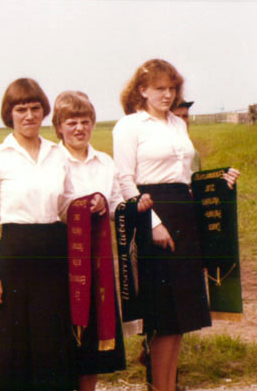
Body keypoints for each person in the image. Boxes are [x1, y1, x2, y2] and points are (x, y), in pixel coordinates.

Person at [113, 59, 240, 391]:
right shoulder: (129, 126)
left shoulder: (178, 124)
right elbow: (125, 181)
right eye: (159, 89)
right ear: (142, 90)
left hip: (184, 216)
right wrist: (152, 223)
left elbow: (187, 178)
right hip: (152, 213)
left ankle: (168, 385)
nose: (167, 95)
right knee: (163, 317)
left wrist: (220, 183)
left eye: (172, 88)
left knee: (180, 317)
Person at [0, 78, 78, 391]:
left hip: (52, 254)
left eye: (35, 108)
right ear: (10, 114)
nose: (30, 115)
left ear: (44, 111)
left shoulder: (58, 155)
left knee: (51, 342)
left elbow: (67, 207)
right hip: (14, 256)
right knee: (10, 347)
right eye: (22, 109)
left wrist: (92, 203)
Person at [52, 91, 153, 391]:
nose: (79, 128)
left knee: (92, 339)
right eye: (72, 122)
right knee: (63, 335)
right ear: (59, 126)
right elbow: (51, 205)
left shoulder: (105, 162)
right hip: (61, 256)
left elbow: (116, 207)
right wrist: (84, 204)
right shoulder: (51, 160)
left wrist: (134, 206)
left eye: (85, 121)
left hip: (97, 259)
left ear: (94, 124)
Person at [170, 99, 201, 172]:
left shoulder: (194, 154)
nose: (182, 121)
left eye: (185, 116)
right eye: (176, 117)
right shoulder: (159, 154)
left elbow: (198, 181)